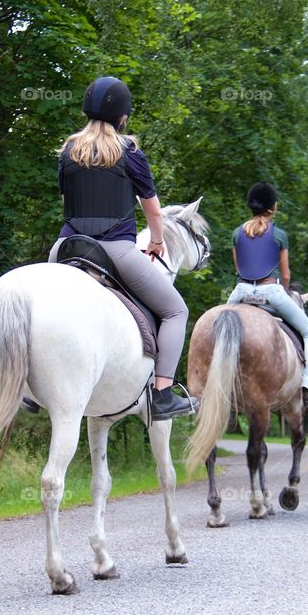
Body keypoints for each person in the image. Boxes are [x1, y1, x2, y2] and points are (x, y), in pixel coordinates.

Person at [47, 76, 197, 418]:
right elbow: (153, 209)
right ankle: (162, 395)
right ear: (122, 117)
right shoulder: (130, 153)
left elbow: (66, 199)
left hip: (65, 249)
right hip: (115, 249)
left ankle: (28, 390)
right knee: (176, 312)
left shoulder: (68, 151)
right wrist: (157, 241)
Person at [226, 182, 308, 406]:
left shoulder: (236, 234)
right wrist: (285, 292)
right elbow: (286, 274)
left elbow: (238, 268)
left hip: (241, 290)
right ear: (273, 207)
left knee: (215, 324)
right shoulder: (279, 235)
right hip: (271, 290)